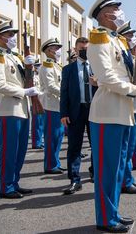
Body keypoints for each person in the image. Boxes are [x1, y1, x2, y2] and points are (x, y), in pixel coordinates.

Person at [87, 0, 136, 232]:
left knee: (116, 169)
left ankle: (112, 213)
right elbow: (107, 77)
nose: (119, 12)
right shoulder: (99, 40)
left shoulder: (116, 40)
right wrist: (135, 90)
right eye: (115, 9)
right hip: (107, 112)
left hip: (122, 112)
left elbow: (127, 71)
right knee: (106, 170)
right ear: (105, 14)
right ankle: (105, 219)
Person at [0, 21, 39, 198]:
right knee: (8, 151)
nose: (13, 38)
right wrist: (23, 92)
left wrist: (29, 68)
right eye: (10, 35)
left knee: (20, 150)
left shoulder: (16, 56)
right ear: (0, 38)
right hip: (9, 110)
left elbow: (27, 80)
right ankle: (6, 187)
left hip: (23, 110)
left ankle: (14, 182)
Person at [60, 37, 98, 194]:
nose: (84, 51)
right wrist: (64, 113)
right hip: (76, 111)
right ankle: (74, 180)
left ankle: (94, 172)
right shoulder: (68, 69)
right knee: (74, 146)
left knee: (95, 144)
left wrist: (98, 81)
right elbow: (64, 93)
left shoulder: (96, 68)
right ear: (75, 50)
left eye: (87, 48)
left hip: (95, 110)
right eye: (81, 48)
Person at [117, 20, 136, 194]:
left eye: (133, 36)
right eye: (129, 36)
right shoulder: (121, 56)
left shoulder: (132, 57)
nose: (132, 39)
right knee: (125, 150)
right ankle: (124, 181)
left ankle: (127, 179)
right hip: (124, 105)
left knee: (129, 148)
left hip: (134, 107)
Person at [40, 38, 65, 174]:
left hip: (58, 105)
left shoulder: (56, 66)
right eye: (56, 48)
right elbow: (51, 86)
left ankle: (55, 162)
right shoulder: (47, 66)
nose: (58, 51)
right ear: (48, 51)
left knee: (59, 136)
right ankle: (50, 165)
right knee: (52, 136)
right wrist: (65, 93)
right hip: (51, 105)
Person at [31, 61, 45, 149]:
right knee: (37, 123)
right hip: (35, 101)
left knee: (41, 123)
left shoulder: (39, 76)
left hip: (41, 101)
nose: (39, 68)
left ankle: (39, 141)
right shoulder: (33, 77)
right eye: (37, 66)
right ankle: (36, 143)